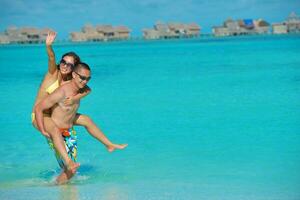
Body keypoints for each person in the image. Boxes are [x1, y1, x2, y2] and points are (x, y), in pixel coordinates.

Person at [32, 32, 127, 178]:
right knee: (56, 132)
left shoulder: (73, 81)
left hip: (55, 114)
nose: (64, 66)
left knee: (87, 120)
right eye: (63, 62)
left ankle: (108, 144)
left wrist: (75, 97)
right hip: (41, 115)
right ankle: (69, 162)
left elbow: (88, 89)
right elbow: (51, 58)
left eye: (69, 64)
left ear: (74, 69)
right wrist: (49, 46)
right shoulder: (53, 73)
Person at [35, 62, 93, 184]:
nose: (85, 81)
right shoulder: (62, 91)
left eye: (88, 78)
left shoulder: (79, 90)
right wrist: (42, 130)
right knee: (70, 169)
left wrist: (76, 98)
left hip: (69, 133)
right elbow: (39, 108)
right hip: (57, 134)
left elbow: (88, 90)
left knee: (69, 171)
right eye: (82, 78)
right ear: (74, 75)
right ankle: (55, 188)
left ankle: (60, 190)